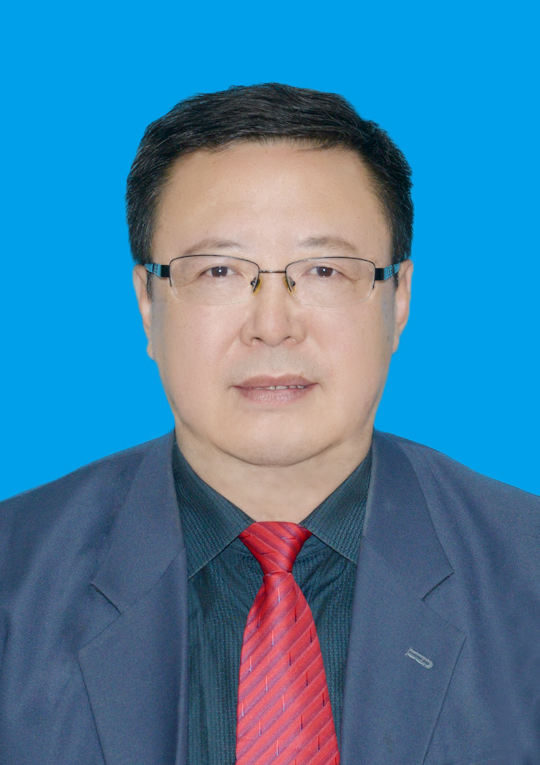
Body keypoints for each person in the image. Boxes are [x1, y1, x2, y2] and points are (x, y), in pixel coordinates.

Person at [0, 84, 538, 765]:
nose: (273, 325)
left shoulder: (527, 569)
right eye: (219, 270)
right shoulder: (14, 577)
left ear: (399, 297)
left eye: (324, 270)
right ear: (147, 302)